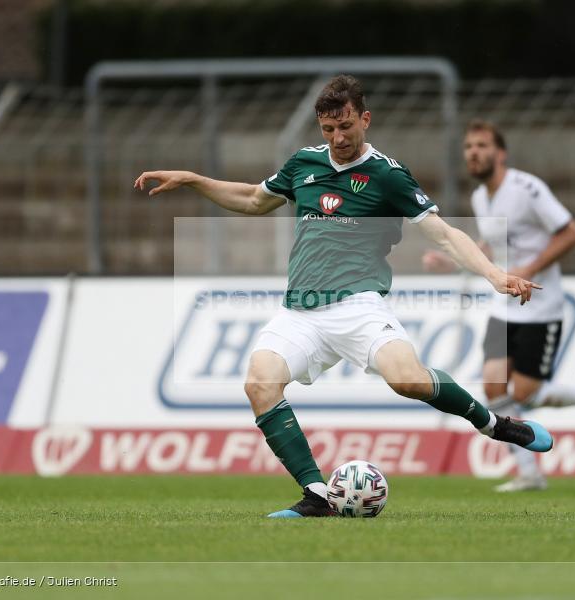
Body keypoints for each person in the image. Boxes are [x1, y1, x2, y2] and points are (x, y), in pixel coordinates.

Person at [134, 75, 553, 517]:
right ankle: (317, 495)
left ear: (365, 119)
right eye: (328, 129)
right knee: (259, 382)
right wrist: (194, 179)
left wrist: (493, 274)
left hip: (358, 306)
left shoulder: (387, 175)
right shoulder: (303, 165)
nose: (338, 138)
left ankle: (494, 425)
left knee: (406, 379)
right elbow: (254, 201)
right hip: (300, 312)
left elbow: (444, 234)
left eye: (346, 127)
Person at [423, 119, 575, 492]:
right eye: (469, 147)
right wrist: (452, 259)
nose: (474, 153)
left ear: (500, 154)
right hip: (505, 307)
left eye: (482, 146)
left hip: (541, 305)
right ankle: (529, 472)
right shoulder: (480, 198)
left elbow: (570, 232)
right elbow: (491, 245)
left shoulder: (527, 188)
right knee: (494, 388)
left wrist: (528, 269)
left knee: (524, 395)